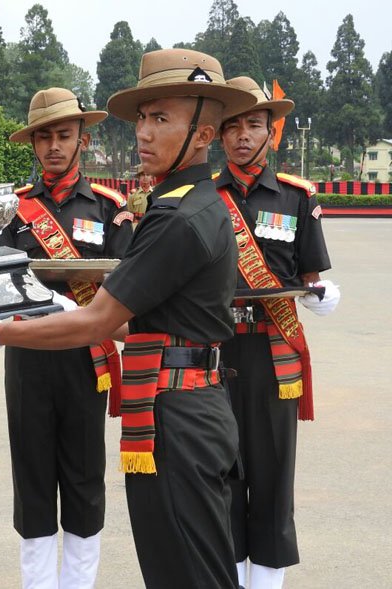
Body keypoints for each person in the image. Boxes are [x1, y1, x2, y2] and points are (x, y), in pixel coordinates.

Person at [0, 49, 258, 588]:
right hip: (178, 400)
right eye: (143, 118)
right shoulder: (192, 203)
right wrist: (65, 308)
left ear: (204, 134)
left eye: (161, 119)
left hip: (177, 413)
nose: (144, 133)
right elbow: (143, 319)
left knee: (187, 570)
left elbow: (98, 323)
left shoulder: (177, 217)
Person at [0, 87, 132, 588]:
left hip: (86, 357)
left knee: (84, 476)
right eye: (44, 136)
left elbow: (128, 283)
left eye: (64, 135)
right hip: (28, 353)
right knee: (32, 478)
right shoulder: (12, 209)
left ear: (83, 139)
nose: (54, 146)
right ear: (33, 143)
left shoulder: (110, 208)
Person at [215, 76, 340, 589]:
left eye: (254, 124)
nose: (243, 135)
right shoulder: (202, 198)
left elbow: (310, 279)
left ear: (273, 132)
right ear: (218, 134)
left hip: (273, 355)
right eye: (233, 126)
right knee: (220, 475)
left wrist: (322, 296)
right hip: (214, 351)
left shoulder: (297, 198)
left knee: (271, 480)